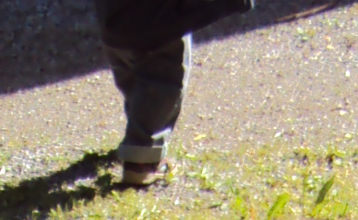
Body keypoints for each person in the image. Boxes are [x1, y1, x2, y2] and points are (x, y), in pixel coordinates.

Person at [93, 1, 248, 189]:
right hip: (161, 22)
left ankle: (136, 141)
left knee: (133, 76)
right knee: (162, 83)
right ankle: (142, 158)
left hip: (114, 22)